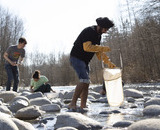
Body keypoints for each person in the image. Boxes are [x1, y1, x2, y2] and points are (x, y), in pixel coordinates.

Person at [69, 17, 116, 112]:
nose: (106, 31)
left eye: (107, 30)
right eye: (105, 29)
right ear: (100, 26)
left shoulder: (98, 36)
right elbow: (87, 47)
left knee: (87, 83)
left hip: (85, 61)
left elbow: (98, 52)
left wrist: (108, 62)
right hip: (76, 58)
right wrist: (102, 48)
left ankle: (83, 106)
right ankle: (72, 104)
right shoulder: (89, 31)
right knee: (84, 80)